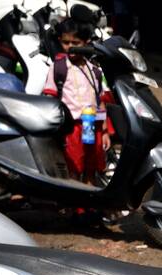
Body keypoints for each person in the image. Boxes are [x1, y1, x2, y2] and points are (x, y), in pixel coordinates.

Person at [44, 21, 109, 186]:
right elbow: (50, 96)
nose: (70, 47)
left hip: (93, 126)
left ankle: (90, 205)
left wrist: (104, 130)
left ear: (86, 43)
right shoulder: (58, 68)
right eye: (66, 43)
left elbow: (99, 100)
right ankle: (74, 207)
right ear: (59, 41)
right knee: (73, 167)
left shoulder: (94, 70)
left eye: (76, 43)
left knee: (91, 167)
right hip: (71, 128)